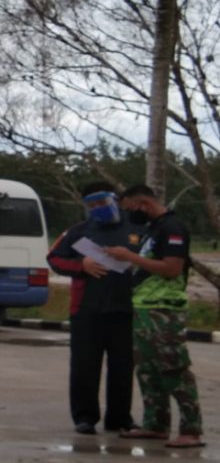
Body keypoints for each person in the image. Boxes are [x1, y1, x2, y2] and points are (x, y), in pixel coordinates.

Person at [106, 185, 205, 449]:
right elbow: (149, 263)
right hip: (144, 306)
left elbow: (172, 268)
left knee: (173, 367)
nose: (129, 215)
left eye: (130, 209)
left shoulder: (172, 228)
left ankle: (191, 429)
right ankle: (156, 424)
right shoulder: (153, 228)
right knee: (148, 369)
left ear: (144, 204)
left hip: (164, 308)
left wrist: (130, 257)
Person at [46, 181, 141, 435]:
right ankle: (85, 417)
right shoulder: (79, 231)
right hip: (87, 310)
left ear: (115, 199)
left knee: (122, 367)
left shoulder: (137, 228)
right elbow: (54, 258)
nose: (99, 207)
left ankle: (119, 418)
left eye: (103, 201)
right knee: (84, 366)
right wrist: (82, 265)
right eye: (92, 204)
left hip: (126, 309)